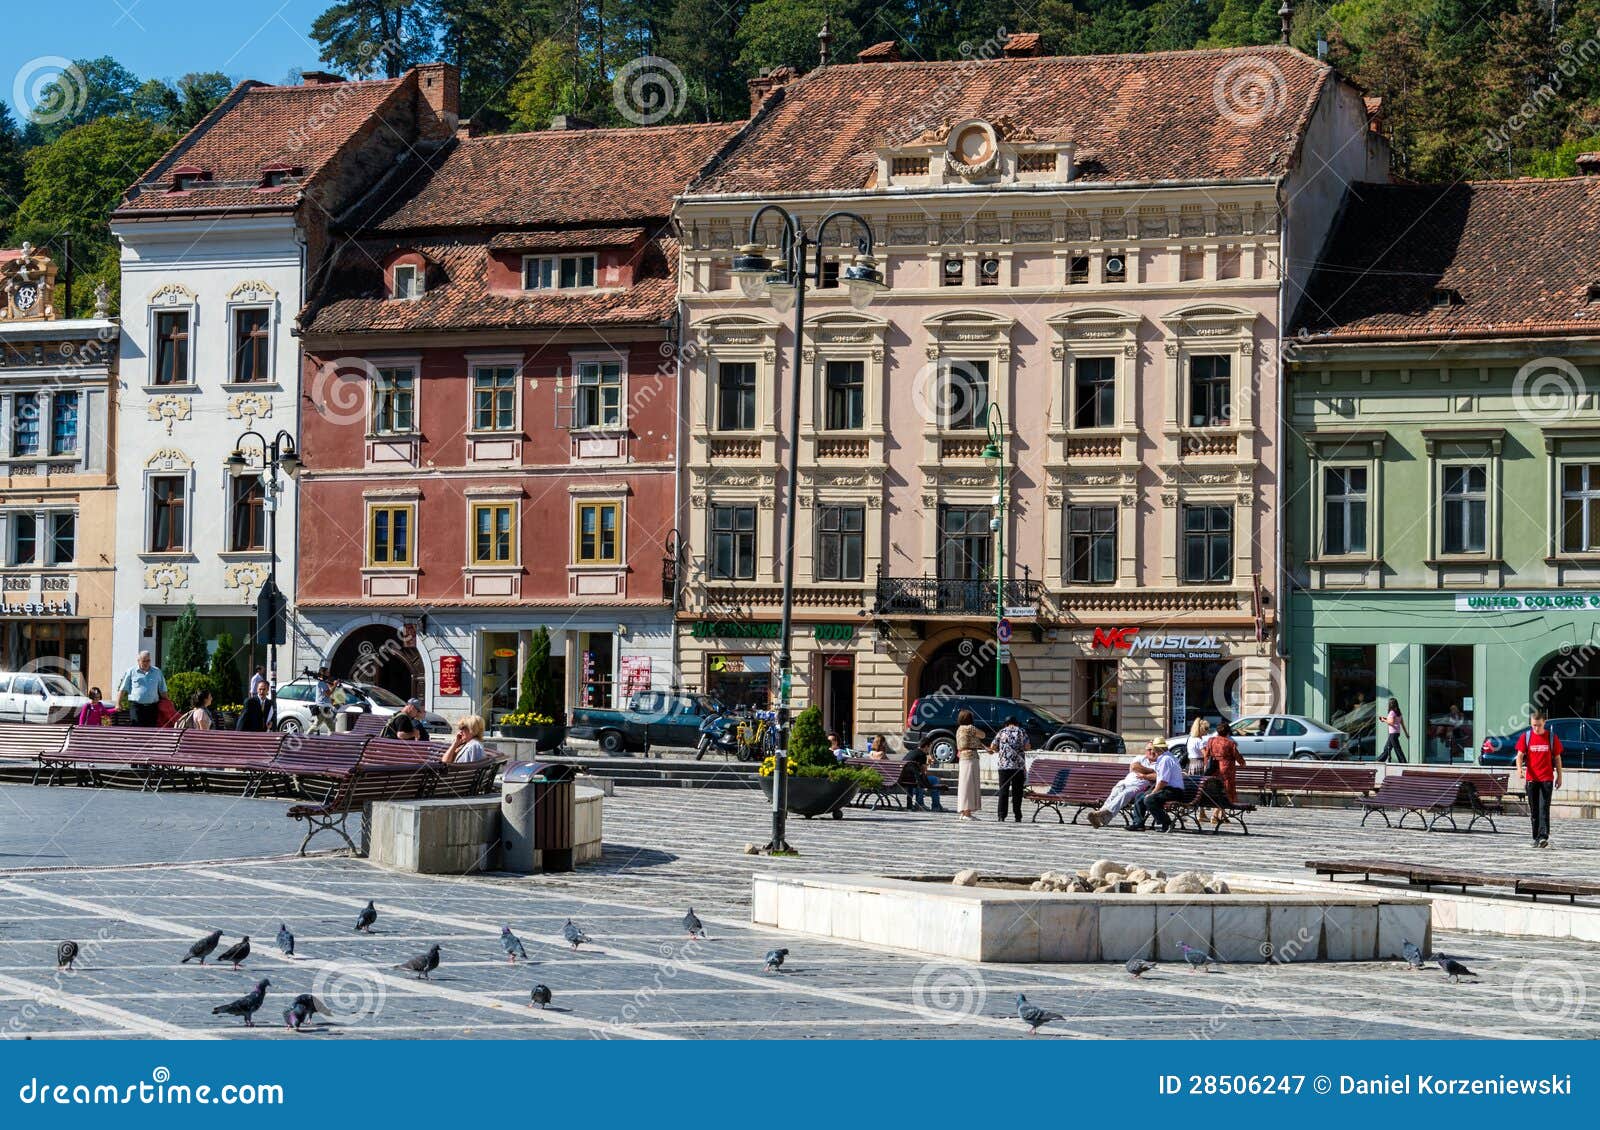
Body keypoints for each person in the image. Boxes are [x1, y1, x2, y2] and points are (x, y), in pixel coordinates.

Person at [1515, 709, 1563, 849]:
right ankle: (1536, 837)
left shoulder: (1551, 738)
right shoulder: (1526, 737)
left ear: (1544, 723)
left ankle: (1543, 836)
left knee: (1543, 808)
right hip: (1532, 780)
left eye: (1539, 725)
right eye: (1534, 725)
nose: (1536, 728)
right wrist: (1520, 769)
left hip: (1546, 779)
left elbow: (1557, 758)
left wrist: (1560, 776)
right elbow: (1519, 756)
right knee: (1534, 810)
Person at [1087, 741, 1161, 828]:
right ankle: (1102, 818)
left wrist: (1144, 772)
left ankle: (1100, 813)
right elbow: (1134, 767)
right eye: (1149, 749)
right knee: (1113, 796)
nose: (1151, 752)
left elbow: (1156, 776)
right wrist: (1150, 771)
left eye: (1153, 750)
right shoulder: (1140, 758)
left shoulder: (1159, 763)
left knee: (1124, 795)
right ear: (1145, 751)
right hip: (1124, 783)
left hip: (1138, 787)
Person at [1197, 719, 1245, 827]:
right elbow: (1238, 757)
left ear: (1218, 732)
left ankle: (1223, 816)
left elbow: (1207, 755)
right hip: (1226, 770)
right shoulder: (1230, 743)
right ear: (1228, 732)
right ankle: (1215, 815)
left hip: (1214, 769)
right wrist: (1243, 763)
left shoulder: (1211, 740)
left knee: (1217, 791)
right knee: (1225, 792)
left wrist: (1207, 766)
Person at [1131, 744, 1186, 832]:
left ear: (1157, 749)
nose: (1152, 752)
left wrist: (1153, 792)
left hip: (1174, 791)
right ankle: (1138, 823)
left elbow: (1163, 781)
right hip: (1167, 789)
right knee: (1140, 796)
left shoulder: (1165, 759)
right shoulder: (1165, 758)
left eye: (1153, 749)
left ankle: (1166, 823)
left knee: (1149, 799)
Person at [990, 715, 1030, 823]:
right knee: (1017, 792)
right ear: (1016, 723)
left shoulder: (1001, 732)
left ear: (1006, 723)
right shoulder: (1021, 731)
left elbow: (993, 747)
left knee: (1003, 791)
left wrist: (1001, 749)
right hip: (1018, 766)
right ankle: (1017, 815)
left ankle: (1001, 816)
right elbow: (1027, 747)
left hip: (1004, 767)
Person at [116, 651, 167, 727]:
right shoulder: (131, 671)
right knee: (136, 727)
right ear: (138, 661)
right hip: (137, 707)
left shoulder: (157, 671)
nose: (146, 663)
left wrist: (167, 703)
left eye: (148, 660)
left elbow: (163, 690)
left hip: (152, 707)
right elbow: (123, 689)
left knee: (151, 729)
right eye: (144, 661)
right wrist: (118, 703)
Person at [954, 709, 985, 821]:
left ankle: (963, 811)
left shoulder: (959, 729)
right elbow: (982, 735)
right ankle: (967, 812)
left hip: (962, 757)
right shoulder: (970, 728)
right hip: (971, 757)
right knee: (970, 785)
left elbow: (972, 741)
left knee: (964, 784)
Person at [903, 737, 946, 812]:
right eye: (929, 747)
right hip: (915, 779)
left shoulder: (911, 752)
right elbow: (923, 772)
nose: (929, 749)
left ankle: (921, 803)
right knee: (935, 780)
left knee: (920, 779)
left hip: (906, 778)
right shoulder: (922, 754)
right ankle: (935, 806)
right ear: (926, 746)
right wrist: (928, 764)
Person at [1379, 698, 1408, 763]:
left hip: (1393, 733)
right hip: (1397, 733)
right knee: (1387, 748)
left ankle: (1403, 762)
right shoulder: (1398, 712)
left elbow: (1391, 722)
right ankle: (1379, 760)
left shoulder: (1392, 712)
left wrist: (1383, 720)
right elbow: (1402, 724)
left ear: (1390, 704)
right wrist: (1406, 734)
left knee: (1397, 748)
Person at [310, 668, 336, 734]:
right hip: (322, 708)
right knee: (316, 726)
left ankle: (331, 742)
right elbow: (328, 693)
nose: (329, 673)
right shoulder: (322, 683)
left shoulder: (324, 683)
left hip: (326, 708)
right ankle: (305, 737)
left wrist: (330, 700)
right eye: (327, 672)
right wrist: (335, 685)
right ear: (323, 674)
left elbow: (325, 695)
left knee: (332, 727)